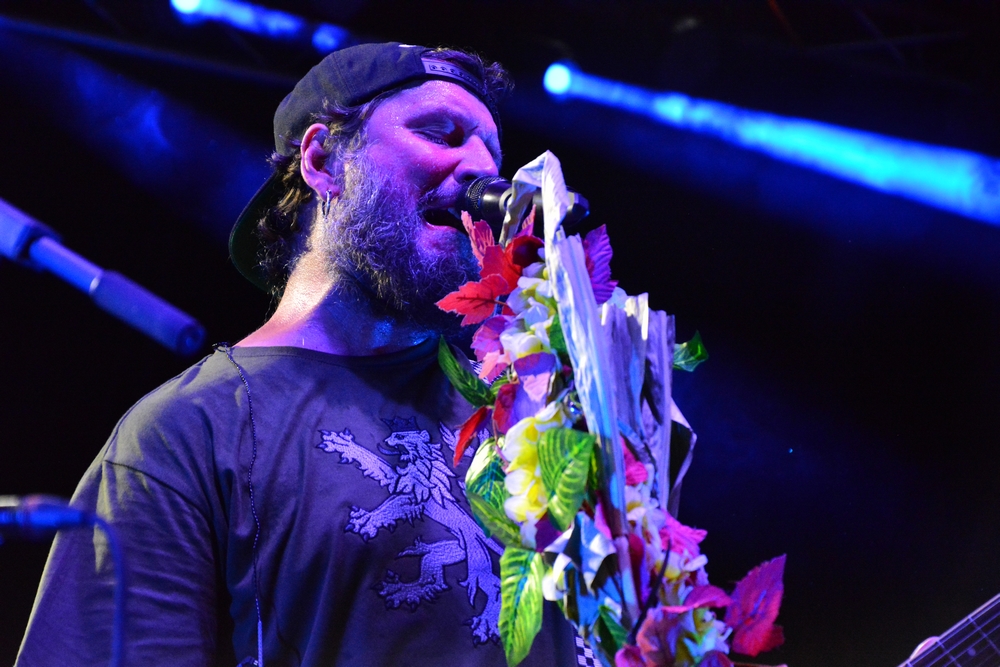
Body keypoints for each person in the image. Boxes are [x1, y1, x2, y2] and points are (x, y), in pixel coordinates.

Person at [16, 42, 579, 666]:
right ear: (322, 160)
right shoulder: (190, 433)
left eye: (491, 153)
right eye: (440, 133)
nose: (481, 171)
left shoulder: (530, 410)